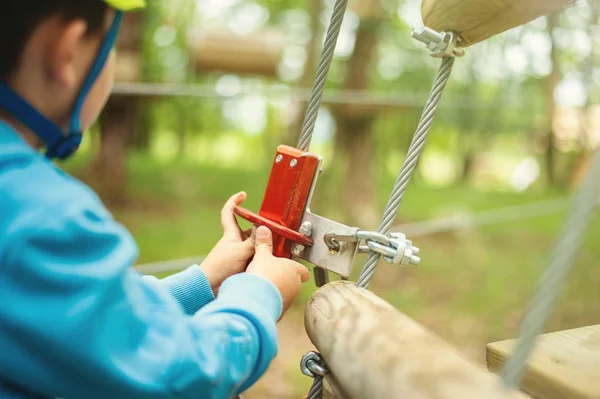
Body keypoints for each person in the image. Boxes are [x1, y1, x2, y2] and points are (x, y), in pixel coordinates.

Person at [0, 1, 311, 398]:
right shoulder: (43, 219)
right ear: (66, 50)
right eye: (109, 47)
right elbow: (182, 375)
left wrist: (203, 280)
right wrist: (259, 295)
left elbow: (86, 322)